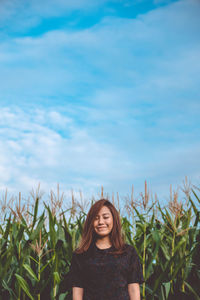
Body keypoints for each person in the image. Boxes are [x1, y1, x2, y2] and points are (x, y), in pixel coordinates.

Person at [69, 198, 144, 300]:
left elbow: (133, 289)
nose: (101, 222)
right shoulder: (80, 255)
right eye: (96, 218)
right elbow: (77, 292)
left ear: (114, 219)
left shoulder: (128, 252)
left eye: (105, 217)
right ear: (91, 222)